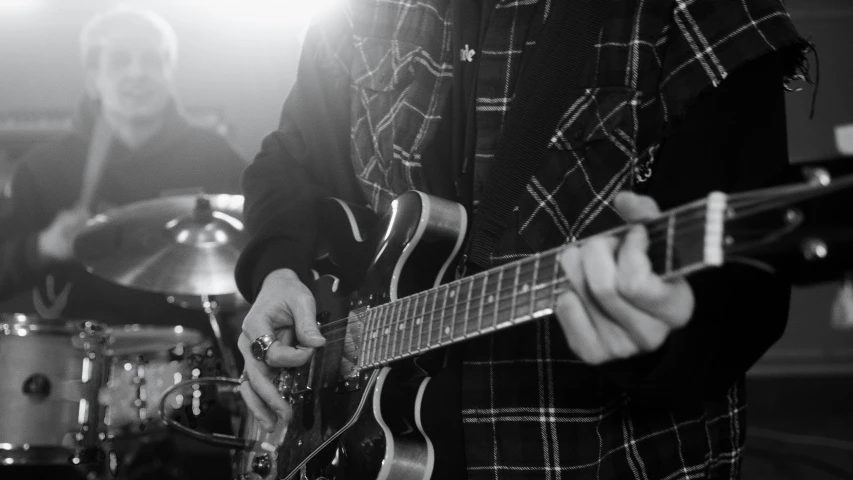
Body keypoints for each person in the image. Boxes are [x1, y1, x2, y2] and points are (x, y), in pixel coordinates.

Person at [235, 0, 812, 478]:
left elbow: (749, 294)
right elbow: (286, 160)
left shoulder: (700, 11)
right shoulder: (359, 14)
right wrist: (275, 268)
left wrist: (663, 339)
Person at [0, 6, 244, 480]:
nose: (138, 73)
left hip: (189, 388)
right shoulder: (45, 168)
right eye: (120, 61)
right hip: (72, 390)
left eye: (151, 60)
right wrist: (42, 246)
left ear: (170, 72)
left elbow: (253, 254)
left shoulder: (214, 158)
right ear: (93, 77)